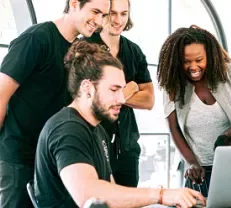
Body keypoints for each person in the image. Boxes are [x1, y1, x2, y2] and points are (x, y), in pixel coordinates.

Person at [33, 40, 205, 208]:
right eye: (114, 90)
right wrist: (160, 195)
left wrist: (168, 196)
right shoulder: (67, 130)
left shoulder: (98, 130)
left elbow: (112, 191)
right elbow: (90, 197)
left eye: (122, 90)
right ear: (87, 88)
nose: (122, 99)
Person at [0, 0, 110, 207]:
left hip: (56, 157)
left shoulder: (84, 49)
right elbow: (1, 94)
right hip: (20, 156)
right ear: (75, 4)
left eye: (104, 15)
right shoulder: (36, 39)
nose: (99, 21)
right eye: (95, 12)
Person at [157, 25, 231, 195]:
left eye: (199, 60)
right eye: (186, 61)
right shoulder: (172, 85)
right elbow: (174, 128)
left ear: (210, 56)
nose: (193, 67)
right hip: (199, 172)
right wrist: (192, 162)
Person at [85, 0, 154, 187]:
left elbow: (149, 100)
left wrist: (114, 94)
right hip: (93, 145)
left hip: (127, 148)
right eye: (112, 13)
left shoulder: (134, 51)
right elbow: (88, 98)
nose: (118, 20)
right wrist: (129, 89)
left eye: (124, 14)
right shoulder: (85, 48)